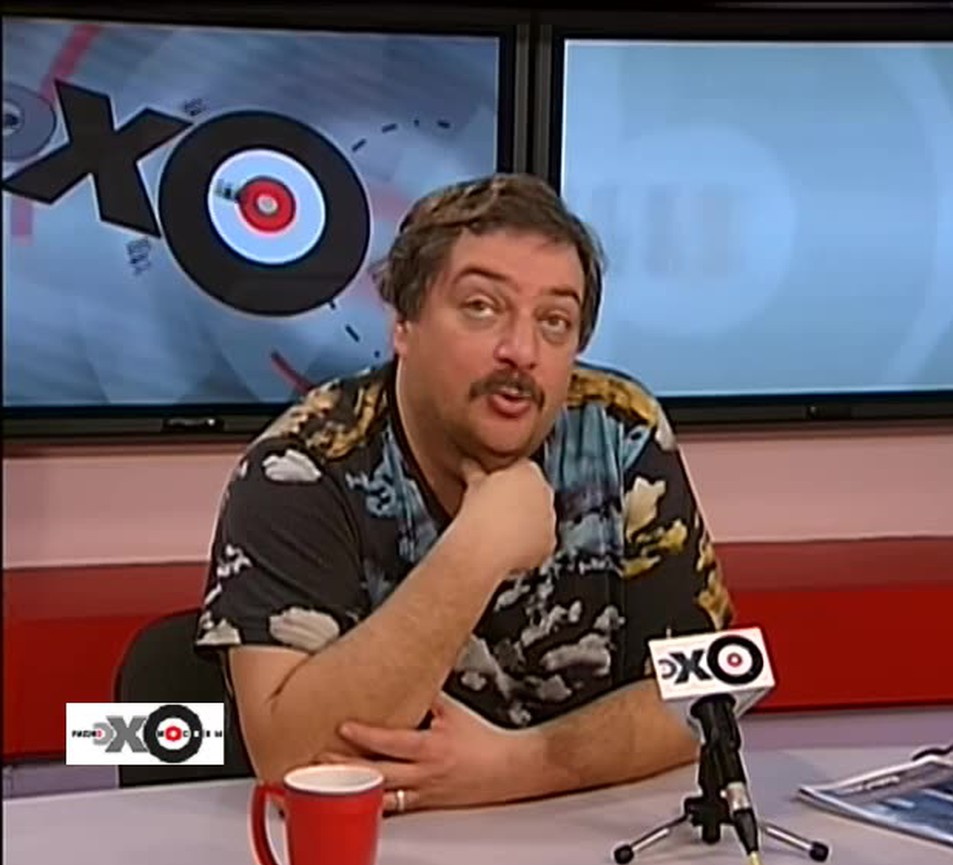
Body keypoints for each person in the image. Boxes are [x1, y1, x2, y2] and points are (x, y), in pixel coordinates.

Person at [194, 172, 733, 815]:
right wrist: (477, 551)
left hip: (579, 842)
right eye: (481, 307)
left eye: (555, 321)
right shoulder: (302, 468)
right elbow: (292, 765)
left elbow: (714, 688)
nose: (522, 351)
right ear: (403, 323)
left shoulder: (619, 432)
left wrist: (515, 766)